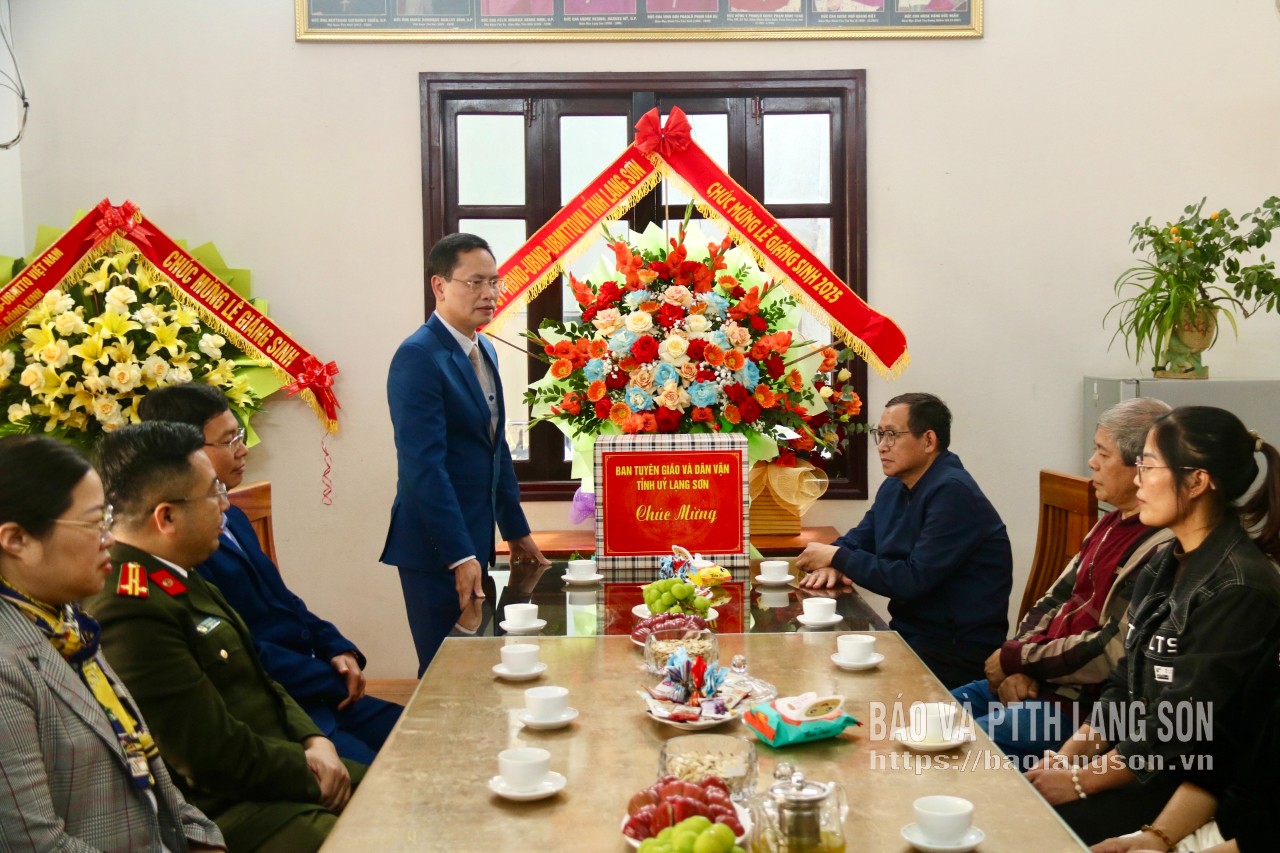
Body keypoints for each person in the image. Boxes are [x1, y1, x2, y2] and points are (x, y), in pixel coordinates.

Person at [88, 422, 365, 853]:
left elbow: (258, 678)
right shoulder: (130, 606)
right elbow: (206, 755)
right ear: (166, 516)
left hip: (282, 770)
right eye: (212, 492)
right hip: (236, 811)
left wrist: (315, 740)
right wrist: (308, 769)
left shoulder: (174, 570)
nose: (225, 504)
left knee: (412, 790)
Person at [1025, 407, 1280, 846]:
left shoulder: (1239, 586)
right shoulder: (1165, 561)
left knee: (1035, 832)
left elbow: (1181, 727)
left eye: (1147, 464)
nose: (1138, 479)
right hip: (1142, 767)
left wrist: (1082, 781)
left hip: (1187, 785)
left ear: (1197, 481)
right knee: (1018, 800)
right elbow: (1123, 683)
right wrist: (1067, 760)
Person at [138, 383, 401, 765]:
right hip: (284, 704)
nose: (243, 450)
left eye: (240, 436)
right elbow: (242, 651)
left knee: (428, 731)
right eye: (229, 440)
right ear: (187, 452)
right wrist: (327, 677)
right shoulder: (186, 545)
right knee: (385, 777)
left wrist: (337, 647)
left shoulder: (233, 516)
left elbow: (284, 601)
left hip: (318, 686)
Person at [0, 436, 225, 852]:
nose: (109, 538)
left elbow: (145, 764)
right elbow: (36, 845)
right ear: (16, 540)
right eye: (93, 523)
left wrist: (203, 839)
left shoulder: (63, 620)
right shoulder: (7, 665)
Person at [952, 398, 1174, 759]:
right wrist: (1019, 664)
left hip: (1079, 708)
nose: (1091, 462)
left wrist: (1019, 660)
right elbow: (1053, 600)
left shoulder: (1161, 546)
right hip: (1040, 678)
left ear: (1141, 466)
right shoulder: (1109, 522)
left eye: (1102, 453)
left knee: (959, 751)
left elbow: (1111, 651)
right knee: (927, 716)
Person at [382, 232, 548, 675]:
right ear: (439, 286)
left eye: (494, 282)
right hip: (435, 548)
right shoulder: (418, 356)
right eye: (475, 282)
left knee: (479, 669)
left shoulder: (484, 348)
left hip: (476, 540)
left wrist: (516, 530)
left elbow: (495, 451)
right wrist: (458, 556)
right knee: (444, 676)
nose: (489, 293)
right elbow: (424, 468)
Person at [796, 392, 1012, 688]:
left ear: (929, 441)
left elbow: (912, 580)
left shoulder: (953, 493)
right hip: (909, 636)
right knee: (813, 665)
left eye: (892, 435)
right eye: (880, 434)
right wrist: (835, 558)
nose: (882, 446)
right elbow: (859, 539)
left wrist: (836, 557)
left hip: (953, 651)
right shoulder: (895, 486)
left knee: (837, 682)